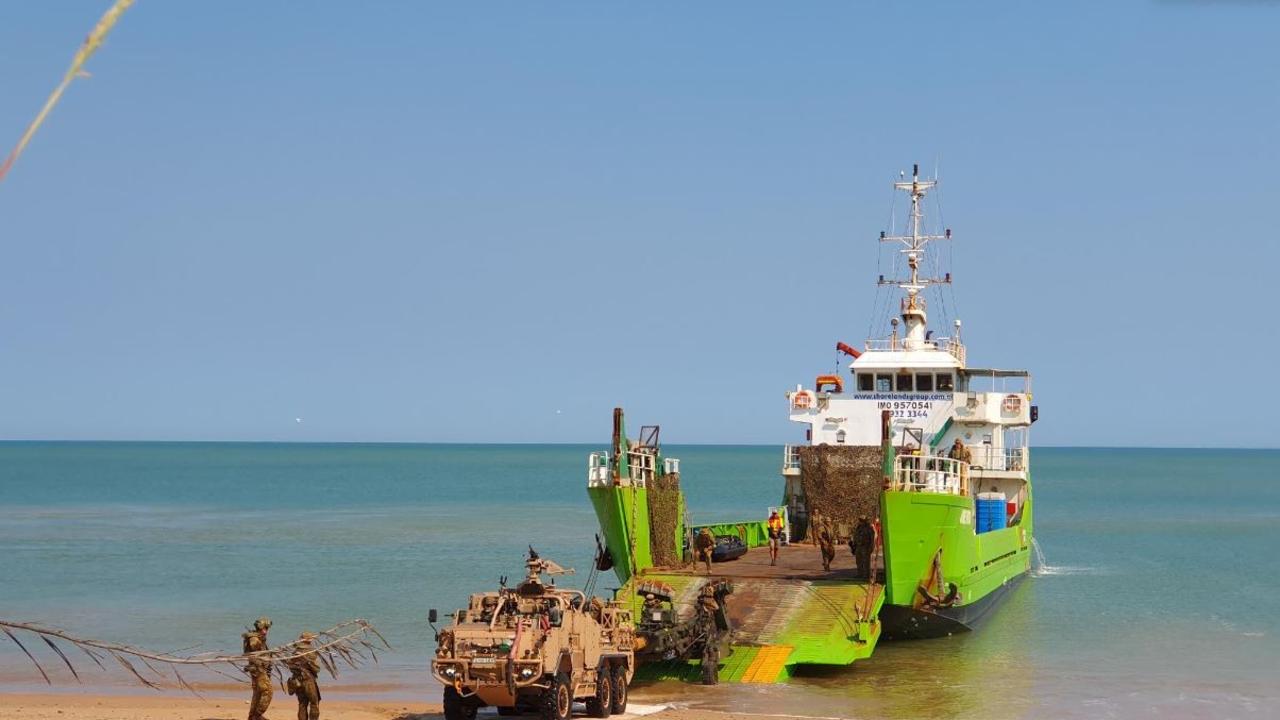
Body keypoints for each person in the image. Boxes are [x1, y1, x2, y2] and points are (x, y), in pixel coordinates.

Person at [242, 617, 273, 720]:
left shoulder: (258, 637)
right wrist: (260, 638)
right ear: (261, 628)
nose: (266, 631)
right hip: (258, 670)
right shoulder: (254, 638)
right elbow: (254, 646)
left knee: (258, 693)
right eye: (266, 628)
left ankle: (252, 716)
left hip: (258, 670)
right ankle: (257, 715)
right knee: (267, 692)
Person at [286, 631, 322, 720]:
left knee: (302, 704)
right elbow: (317, 669)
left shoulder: (295, 652)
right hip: (308, 681)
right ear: (309, 640)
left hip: (297, 681)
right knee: (314, 703)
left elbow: (290, 666)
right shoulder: (311, 651)